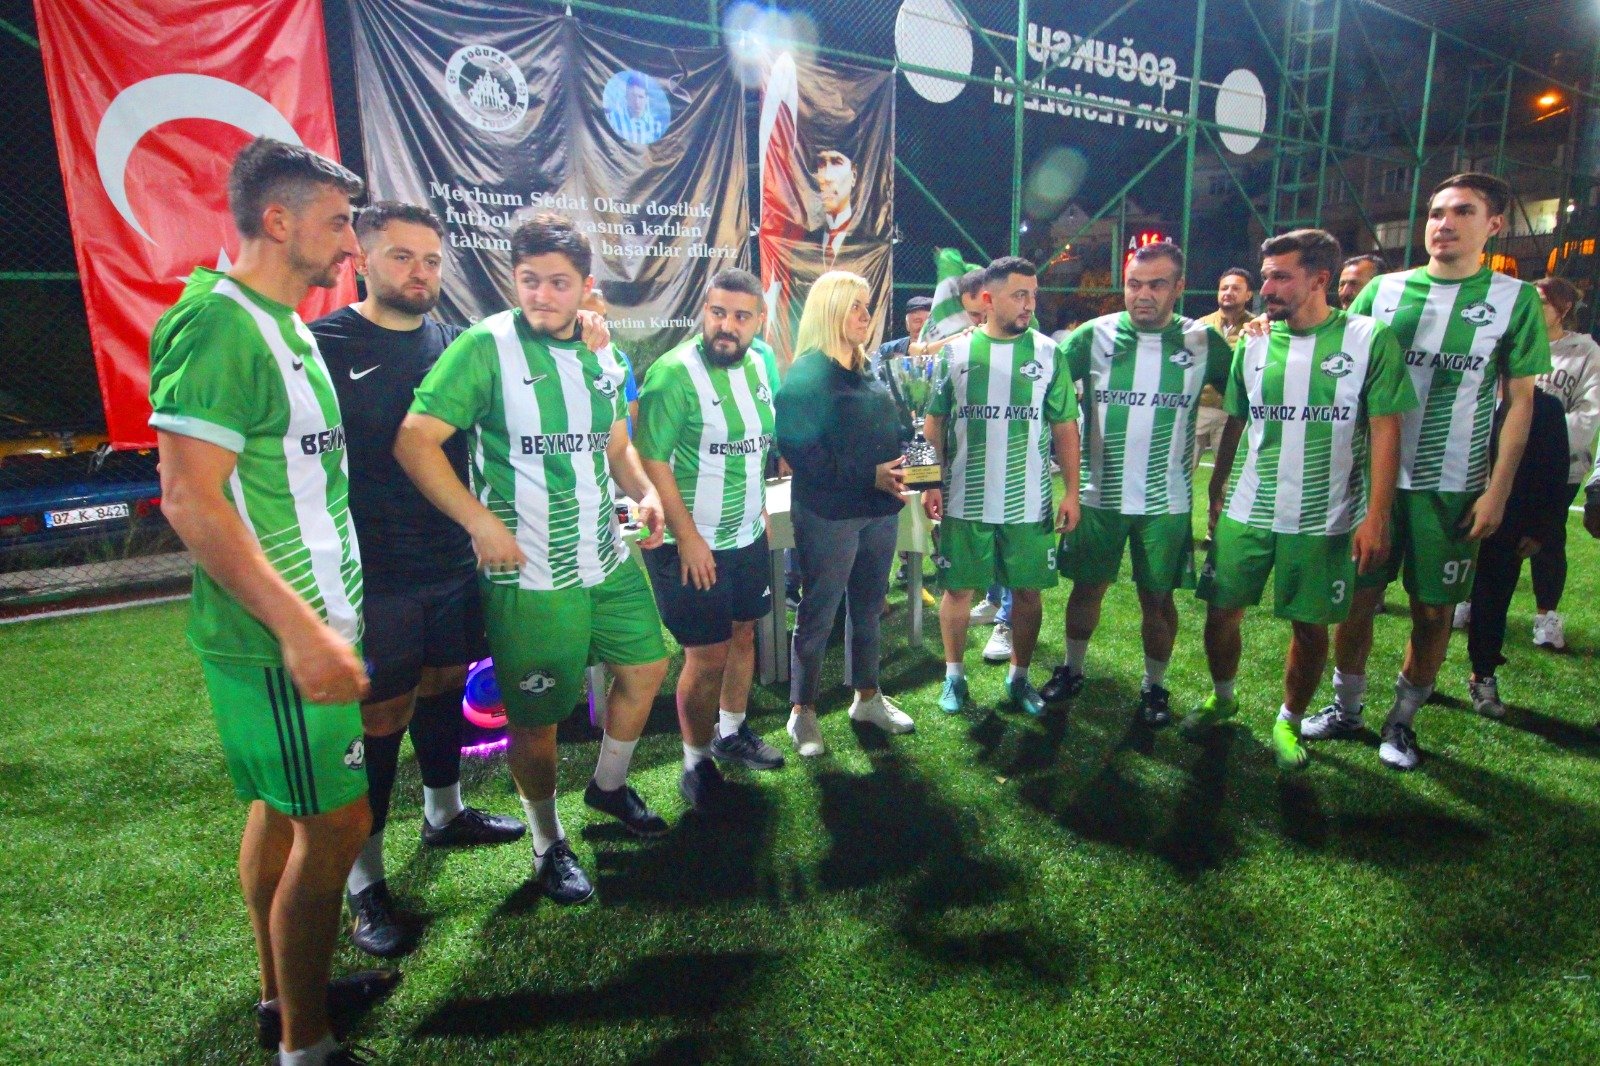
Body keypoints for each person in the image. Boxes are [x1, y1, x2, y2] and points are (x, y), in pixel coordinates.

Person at [148, 137, 386, 1066]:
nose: (352, 246)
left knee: (283, 815)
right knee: (336, 826)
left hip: (307, 628)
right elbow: (188, 498)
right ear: (278, 220)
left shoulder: (279, 323)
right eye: (338, 224)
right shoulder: (219, 325)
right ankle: (305, 1044)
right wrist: (300, 632)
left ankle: (284, 997)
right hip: (276, 643)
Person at [394, 212, 672, 906]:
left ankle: (608, 787)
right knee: (537, 719)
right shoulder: (486, 347)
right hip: (529, 573)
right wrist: (478, 521)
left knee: (647, 668)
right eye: (529, 280)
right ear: (512, 279)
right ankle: (548, 843)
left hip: (605, 557)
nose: (542, 295)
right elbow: (414, 440)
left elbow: (615, 446)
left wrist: (643, 493)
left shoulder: (604, 353)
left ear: (585, 285)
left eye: (558, 282)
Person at [310, 203, 526, 959]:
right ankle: (364, 881)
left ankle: (444, 814)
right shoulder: (324, 346)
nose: (420, 272)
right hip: (375, 571)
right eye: (402, 257)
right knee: (381, 715)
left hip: (450, 560)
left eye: (431, 260)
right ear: (362, 259)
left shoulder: (454, 343)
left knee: (444, 684)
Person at [1300, 174, 1551, 772]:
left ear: (1494, 225)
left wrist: (1497, 491)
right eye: (1437, 212)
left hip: (1453, 485)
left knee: (1434, 611)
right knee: (1357, 602)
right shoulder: (1384, 290)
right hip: (1372, 480)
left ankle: (1403, 720)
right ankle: (1347, 709)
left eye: (1462, 212)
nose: (1444, 223)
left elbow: (1520, 404)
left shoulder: (1514, 300)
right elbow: (1329, 348)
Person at [1184, 228, 1415, 772]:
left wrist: (1376, 516)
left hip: (1325, 514)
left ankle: (1289, 720)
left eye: (1280, 277)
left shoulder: (1368, 339)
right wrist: (1217, 487)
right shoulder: (1255, 341)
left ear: (1319, 279)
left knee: (1310, 628)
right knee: (1220, 612)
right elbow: (1237, 420)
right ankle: (1223, 697)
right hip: (1250, 506)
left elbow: (1387, 429)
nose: (1266, 288)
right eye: (1265, 276)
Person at [1042, 242, 1233, 725]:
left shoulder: (1204, 341)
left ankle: (1155, 687)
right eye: (1134, 284)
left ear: (1179, 287)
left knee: (1158, 599)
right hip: (1098, 494)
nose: (1143, 294)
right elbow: (1044, 384)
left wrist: (1222, 479)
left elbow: (1245, 401)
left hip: (1166, 501)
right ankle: (1072, 669)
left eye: (1157, 285)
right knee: (1086, 589)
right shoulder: (1093, 335)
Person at [636, 268, 787, 806]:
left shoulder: (762, 365)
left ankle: (731, 730)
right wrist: (688, 537)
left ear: (759, 321)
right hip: (689, 544)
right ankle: (696, 762)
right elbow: (651, 459)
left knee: (744, 634)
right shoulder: (673, 374)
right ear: (705, 311)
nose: (727, 325)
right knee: (706, 656)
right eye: (718, 312)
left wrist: (759, 507)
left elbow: (757, 444)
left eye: (741, 316)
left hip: (746, 533)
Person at [922, 256, 1081, 716]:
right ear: (989, 299)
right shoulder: (954, 353)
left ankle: (1019, 677)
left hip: (1029, 502)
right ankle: (954, 677)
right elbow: (931, 423)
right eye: (1019, 295)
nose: (1030, 304)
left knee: (1028, 593)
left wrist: (1072, 492)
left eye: (1033, 295)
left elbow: (1065, 426)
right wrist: (928, 482)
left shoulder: (1048, 353)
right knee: (958, 591)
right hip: (964, 498)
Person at [775, 269, 914, 755]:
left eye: (867, 305)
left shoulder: (868, 368)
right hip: (829, 514)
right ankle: (802, 711)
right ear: (829, 310)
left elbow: (893, 431)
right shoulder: (806, 374)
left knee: (870, 608)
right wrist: (869, 474)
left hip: (880, 510)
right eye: (855, 305)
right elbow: (801, 452)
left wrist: (914, 465)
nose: (865, 315)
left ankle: (866, 698)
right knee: (819, 611)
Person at [1463, 385, 1571, 716]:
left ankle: (1483, 674)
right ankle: (1423, 674)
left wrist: (1540, 528)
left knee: (1493, 598)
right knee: (1432, 603)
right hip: (1449, 511)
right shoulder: (1462, 391)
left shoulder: (1545, 408)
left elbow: (1555, 473)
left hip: (1507, 521)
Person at [1525, 275, 1600, 649]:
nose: (1532, 310)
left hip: (1559, 466)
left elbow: (1589, 412)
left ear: (1563, 307)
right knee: (1493, 534)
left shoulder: (1586, 352)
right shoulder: (1516, 343)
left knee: (1548, 538)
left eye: (1540, 303)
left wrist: (1543, 443)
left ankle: (1546, 616)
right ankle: (1473, 602)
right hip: (1509, 459)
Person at [1194, 268, 1254, 468]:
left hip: (1233, 413)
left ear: (1248, 295)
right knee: (1180, 469)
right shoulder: (1201, 325)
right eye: (1224, 288)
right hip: (1198, 409)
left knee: (1229, 475)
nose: (1228, 292)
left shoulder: (1255, 328)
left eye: (1236, 288)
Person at [582, 287, 640, 431]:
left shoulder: (618, 358)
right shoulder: (560, 360)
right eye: (592, 318)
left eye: (603, 318)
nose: (599, 325)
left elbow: (632, 410)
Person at [812, 149, 858, 269]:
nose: (827, 177)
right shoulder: (804, 245)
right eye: (821, 164)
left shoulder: (871, 245)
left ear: (853, 175)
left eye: (836, 163)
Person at [608, 71, 664, 145]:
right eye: (633, 96)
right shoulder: (613, 119)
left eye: (640, 97)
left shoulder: (656, 125)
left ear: (646, 99)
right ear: (626, 97)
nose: (637, 102)